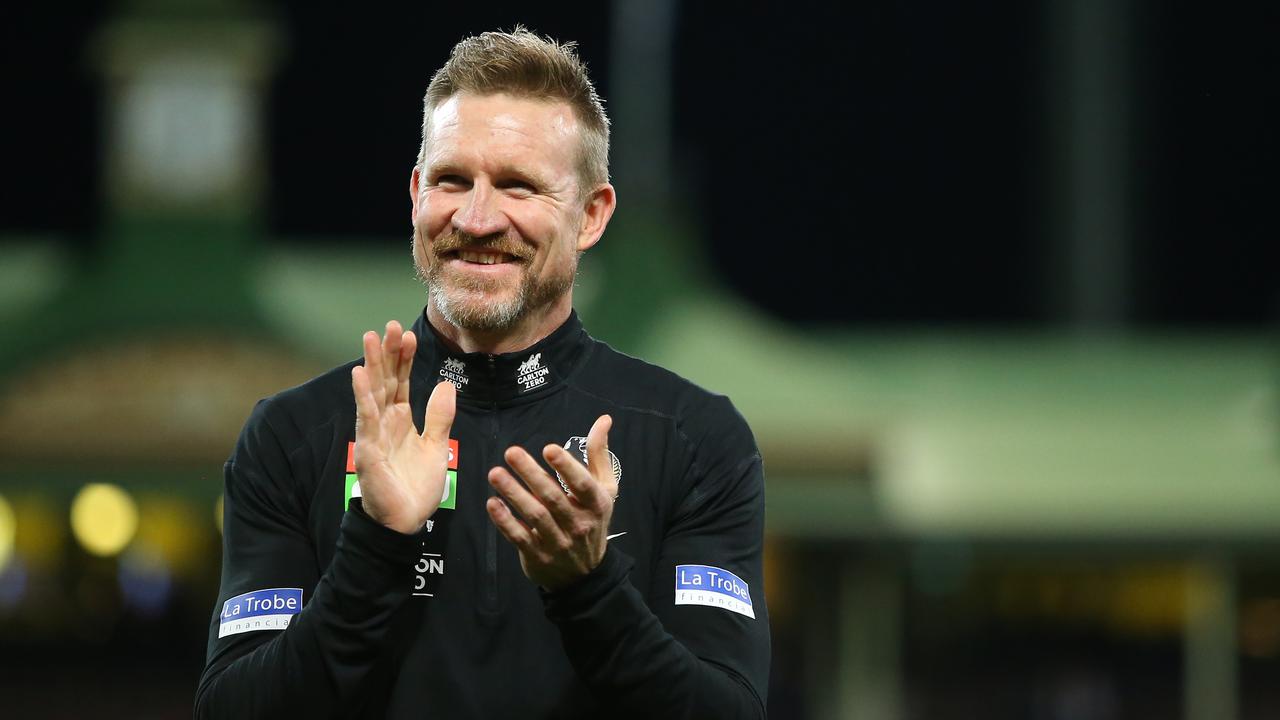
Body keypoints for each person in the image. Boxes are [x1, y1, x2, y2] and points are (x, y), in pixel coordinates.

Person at [196, 28, 770, 719]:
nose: (475, 217)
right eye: (451, 180)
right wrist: (375, 545)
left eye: (518, 186)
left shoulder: (694, 438)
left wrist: (588, 586)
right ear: (416, 194)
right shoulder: (293, 435)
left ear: (591, 216)